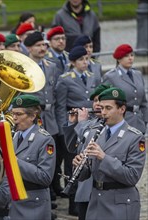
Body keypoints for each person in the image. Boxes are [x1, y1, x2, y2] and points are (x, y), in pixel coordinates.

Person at [76, 87, 146, 220]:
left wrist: (103, 158)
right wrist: (79, 166)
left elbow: (132, 176)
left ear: (122, 109)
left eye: (108, 108)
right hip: (96, 202)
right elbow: (85, 174)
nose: (103, 113)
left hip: (120, 204)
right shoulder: (94, 133)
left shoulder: (135, 137)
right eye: (101, 108)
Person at [55, 45, 100, 215]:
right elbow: (60, 106)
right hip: (74, 125)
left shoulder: (92, 76)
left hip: (92, 123)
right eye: (81, 60)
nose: (85, 62)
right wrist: (63, 129)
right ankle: (73, 202)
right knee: (73, 163)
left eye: (87, 59)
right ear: (73, 62)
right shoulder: (65, 79)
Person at [63, 84, 112, 220]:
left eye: (100, 101)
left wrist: (81, 123)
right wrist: (72, 123)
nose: (96, 104)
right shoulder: (90, 122)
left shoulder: (107, 124)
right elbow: (72, 147)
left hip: (104, 188)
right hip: (85, 188)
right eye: (95, 101)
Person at [23, 31, 62, 200]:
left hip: (50, 114)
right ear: (29, 48)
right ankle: (44, 188)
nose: (42, 48)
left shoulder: (51, 65)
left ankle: (54, 185)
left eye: (44, 45)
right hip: (33, 115)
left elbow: (55, 92)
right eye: (38, 45)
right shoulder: (24, 66)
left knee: (52, 151)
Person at [9, 95, 56, 220]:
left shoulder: (44, 139)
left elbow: (45, 177)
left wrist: (15, 162)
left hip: (33, 205)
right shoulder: (13, 136)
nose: (14, 118)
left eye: (19, 114)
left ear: (32, 116)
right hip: (13, 201)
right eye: (13, 114)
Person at [103, 44, 147, 134]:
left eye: (132, 55)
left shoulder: (137, 74)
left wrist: (145, 120)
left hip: (139, 122)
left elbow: (143, 102)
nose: (130, 58)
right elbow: (106, 102)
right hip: (121, 122)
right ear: (118, 59)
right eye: (126, 56)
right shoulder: (111, 76)